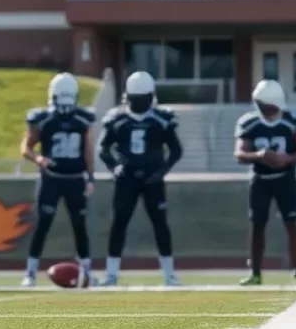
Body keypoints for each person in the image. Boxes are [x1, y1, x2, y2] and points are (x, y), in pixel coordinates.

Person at [97, 71, 183, 286]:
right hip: (126, 178)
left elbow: (176, 150)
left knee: (160, 224)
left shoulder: (161, 119)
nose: (139, 103)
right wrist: (114, 167)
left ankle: (169, 275)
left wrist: (161, 171)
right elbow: (103, 148)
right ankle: (111, 274)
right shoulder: (117, 118)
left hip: (152, 179)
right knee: (119, 223)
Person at [235, 79, 296, 286]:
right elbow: (239, 153)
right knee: (257, 225)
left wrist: (287, 159)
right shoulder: (249, 122)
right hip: (260, 180)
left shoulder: (294, 122)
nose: (266, 110)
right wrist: (259, 155)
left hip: (285, 179)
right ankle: (255, 273)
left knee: (292, 223)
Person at [20, 73, 96, 287]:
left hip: (75, 179)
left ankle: (87, 272)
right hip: (51, 179)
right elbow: (26, 147)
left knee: (79, 226)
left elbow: (88, 150)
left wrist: (90, 177)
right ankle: (30, 272)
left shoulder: (83, 120)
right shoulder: (43, 119)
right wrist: (38, 158)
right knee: (42, 225)